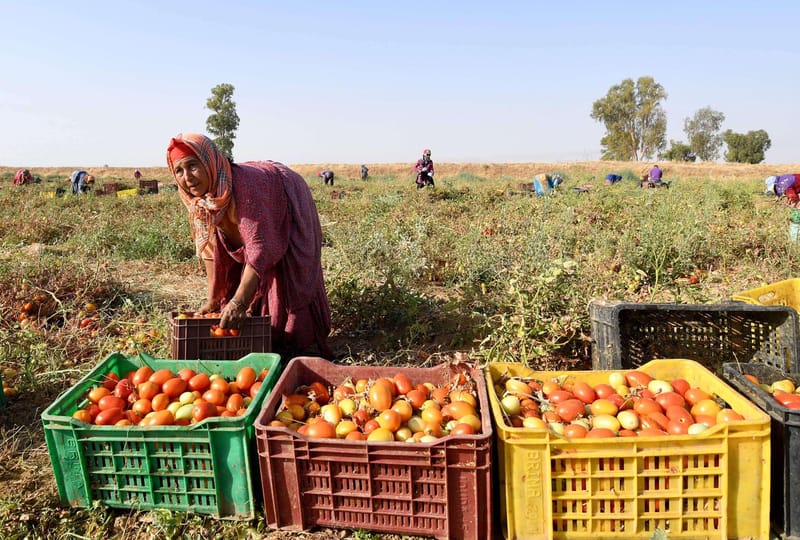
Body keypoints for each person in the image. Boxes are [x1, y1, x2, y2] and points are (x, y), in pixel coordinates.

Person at [166, 133, 332, 360]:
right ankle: (269, 332)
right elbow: (210, 249)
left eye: (193, 166)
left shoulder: (245, 188)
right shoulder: (196, 199)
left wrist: (239, 302)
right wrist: (214, 298)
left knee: (291, 274)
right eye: (179, 171)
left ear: (209, 162)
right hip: (259, 209)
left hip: (287, 195)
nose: (187, 177)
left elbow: (259, 248)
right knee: (246, 285)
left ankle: (301, 343)